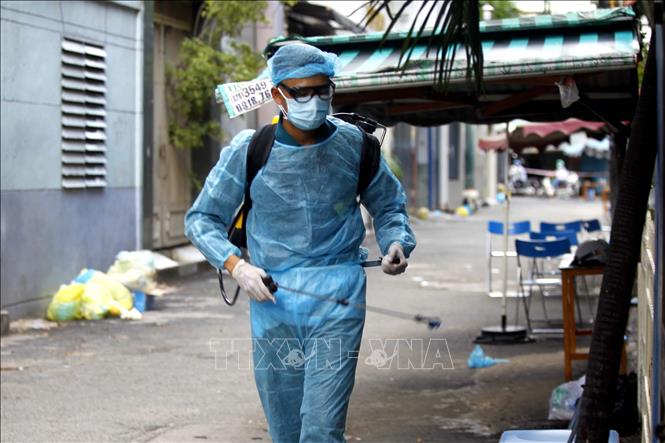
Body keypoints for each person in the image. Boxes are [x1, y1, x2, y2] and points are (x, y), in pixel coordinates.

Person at [185, 43, 416, 443]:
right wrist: (237, 266)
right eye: (301, 92)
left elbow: (389, 205)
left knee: (323, 427)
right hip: (273, 297)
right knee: (285, 427)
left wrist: (396, 241)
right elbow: (201, 219)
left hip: (339, 296)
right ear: (278, 96)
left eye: (322, 90)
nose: (315, 100)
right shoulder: (251, 149)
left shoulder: (356, 145)